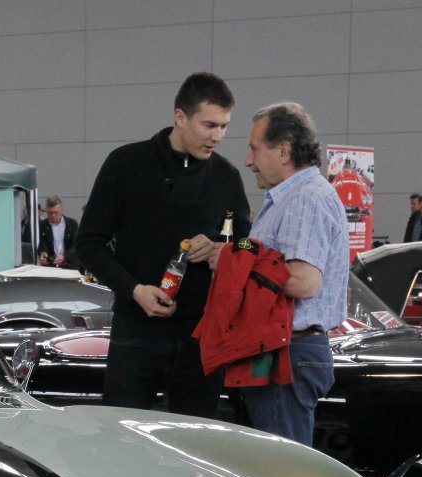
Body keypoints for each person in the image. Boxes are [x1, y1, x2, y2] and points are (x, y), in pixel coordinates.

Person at [75, 71, 251, 418]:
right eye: (209, 125)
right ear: (180, 117)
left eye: (224, 126)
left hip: (200, 336)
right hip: (136, 332)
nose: (217, 136)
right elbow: (88, 244)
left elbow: (246, 244)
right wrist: (135, 290)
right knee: (122, 435)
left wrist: (219, 249)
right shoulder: (125, 165)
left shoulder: (227, 177)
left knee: (195, 441)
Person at [232, 103, 347, 448]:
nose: (248, 160)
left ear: (283, 151)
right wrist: (231, 251)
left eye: (254, 149)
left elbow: (302, 280)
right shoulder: (294, 198)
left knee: (283, 472)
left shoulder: (304, 200)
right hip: (284, 350)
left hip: (287, 353)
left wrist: (234, 262)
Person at [36, 197, 79, 267]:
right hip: (51, 266)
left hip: (70, 265)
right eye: (50, 213)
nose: (53, 215)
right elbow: (41, 244)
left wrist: (65, 256)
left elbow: (76, 245)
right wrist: (43, 253)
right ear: (46, 211)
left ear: (61, 210)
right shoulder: (42, 225)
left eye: (56, 212)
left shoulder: (72, 224)